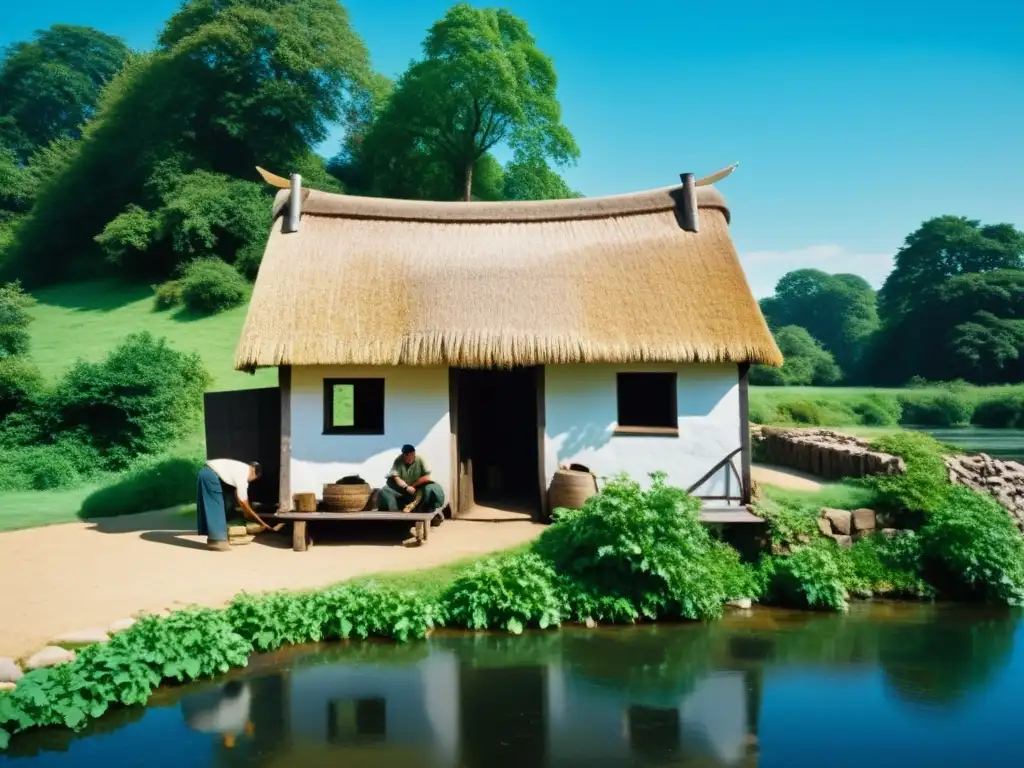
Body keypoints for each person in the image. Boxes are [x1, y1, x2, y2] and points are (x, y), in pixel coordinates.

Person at [197, 459, 262, 551]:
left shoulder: (241, 468)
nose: (251, 480)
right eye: (254, 478)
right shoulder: (244, 473)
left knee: (212, 506)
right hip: (211, 475)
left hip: (207, 472)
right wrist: (248, 513)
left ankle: (213, 540)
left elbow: (238, 495)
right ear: (252, 469)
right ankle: (218, 542)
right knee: (216, 507)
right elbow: (243, 500)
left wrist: (245, 510)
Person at [378, 444, 446, 523]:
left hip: (417, 488)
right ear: (403, 455)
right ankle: (395, 516)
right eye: (408, 456)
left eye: (413, 455)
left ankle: (430, 512)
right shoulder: (398, 460)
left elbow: (426, 477)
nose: (411, 457)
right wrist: (406, 487)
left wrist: (413, 486)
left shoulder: (420, 460)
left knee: (432, 488)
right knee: (385, 490)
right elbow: (396, 477)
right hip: (402, 488)